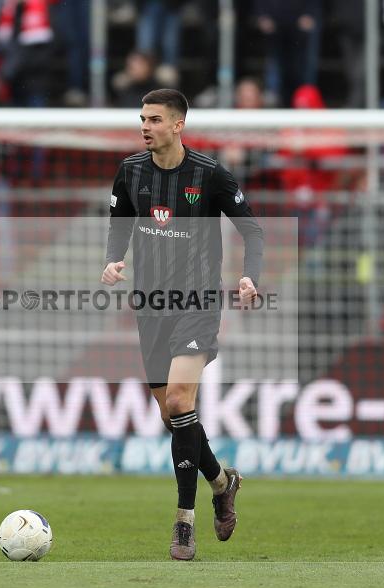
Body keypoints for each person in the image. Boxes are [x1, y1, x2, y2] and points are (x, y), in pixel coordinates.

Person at [101, 89, 263, 560]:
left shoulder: (209, 175)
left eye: (153, 119)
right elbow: (119, 224)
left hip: (197, 303)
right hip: (149, 307)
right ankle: (222, 481)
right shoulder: (131, 170)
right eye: (141, 118)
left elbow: (251, 228)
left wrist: (250, 274)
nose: (144, 125)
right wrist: (113, 260)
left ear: (178, 124)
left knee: (178, 399)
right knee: (173, 417)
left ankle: (183, 523)